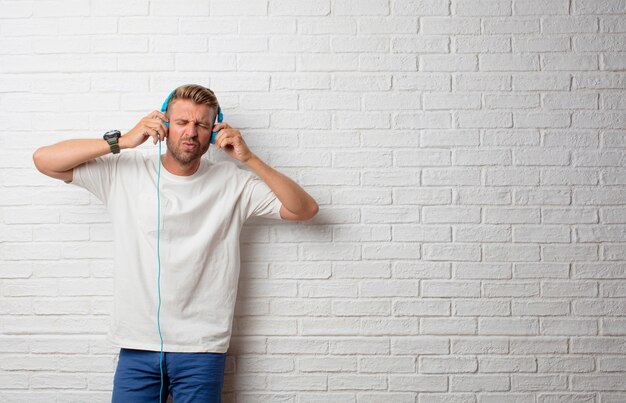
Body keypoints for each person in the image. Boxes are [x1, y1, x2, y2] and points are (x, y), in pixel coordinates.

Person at [32, 84, 319, 402]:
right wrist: (123, 141)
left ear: (214, 131)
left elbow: (303, 209)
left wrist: (248, 158)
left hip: (202, 349)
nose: (191, 132)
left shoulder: (234, 183)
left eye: (202, 124)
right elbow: (45, 160)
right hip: (137, 345)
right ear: (164, 125)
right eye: (182, 122)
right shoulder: (124, 173)